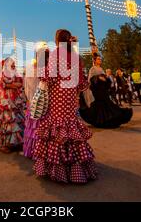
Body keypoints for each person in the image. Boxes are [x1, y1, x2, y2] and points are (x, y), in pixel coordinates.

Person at [33, 29, 96, 184]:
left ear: (57, 40)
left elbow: (47, 76)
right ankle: (77, 169)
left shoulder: (56, 53)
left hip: (58, 96)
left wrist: (41, 62)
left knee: (58, 128)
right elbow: (81, 82)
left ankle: (60, 169)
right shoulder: (75, 56)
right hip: (70, 97)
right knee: (71, 126)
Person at [0, 58, 26, 152]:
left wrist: (10, 84)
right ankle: (3, 144)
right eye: (12, 64)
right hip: (4, 100)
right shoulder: (1, 74)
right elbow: (1, 85)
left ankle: (13, 142)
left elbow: (20, 84)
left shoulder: (15, 74)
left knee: (14, 120)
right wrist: (12, 85)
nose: (14, 65)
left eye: (14, 64)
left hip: (14, 100)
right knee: (4, 121)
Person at [23, 46, 49, 158]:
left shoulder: (31, 69)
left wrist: (28, 100)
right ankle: (41, 152)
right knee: (39, 127)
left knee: (33, 128)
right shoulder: (46, 70)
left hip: (34, 102)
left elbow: (26, 87)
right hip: (44, 103)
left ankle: (33, 151)